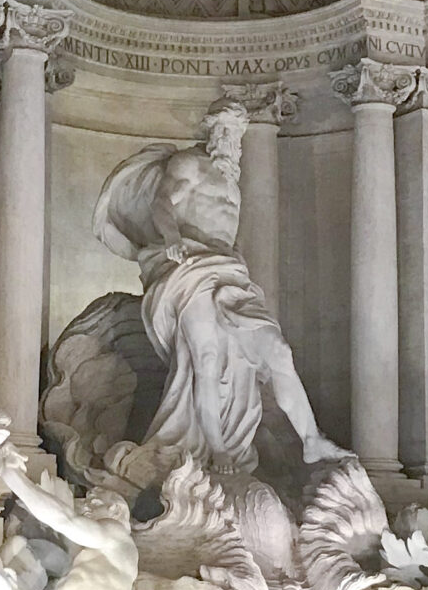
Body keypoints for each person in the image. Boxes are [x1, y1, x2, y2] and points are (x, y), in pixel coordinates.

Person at [94, 103, 341, 476]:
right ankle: (217, 448)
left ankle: (311, 440)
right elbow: (163, 202)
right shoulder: (189, 165)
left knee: (277, 350)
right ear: (210, 133)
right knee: (205, 360)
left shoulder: (231, 180)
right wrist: (172, 238)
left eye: (236, 134)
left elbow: (226, 231)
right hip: (189, 268)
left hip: (230, 275)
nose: (230, 141)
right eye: (224, 131)